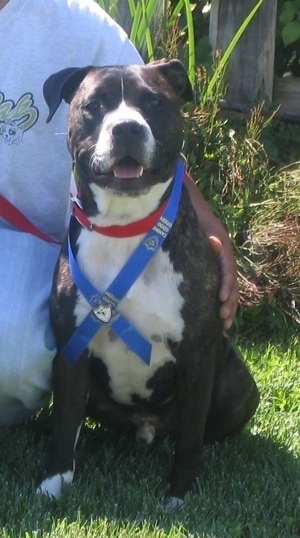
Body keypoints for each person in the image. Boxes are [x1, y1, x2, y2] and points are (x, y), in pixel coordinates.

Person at [0, 0, 239, 427]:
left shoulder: (79, 23)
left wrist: (208, 223)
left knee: (12, 361)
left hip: (49, 246)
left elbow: (146, 124)